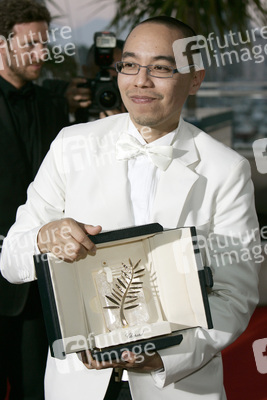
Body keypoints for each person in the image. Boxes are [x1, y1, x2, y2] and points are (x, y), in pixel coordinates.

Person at [0, 15, 260, 400]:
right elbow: (10, 258)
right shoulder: (71, 145)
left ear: (195, 79)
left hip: (175, 385)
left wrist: (162, 358)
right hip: (76, 384)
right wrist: (44, 236)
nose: (141, 80)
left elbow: (235, 295)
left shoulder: (225, 169)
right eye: (130, 64)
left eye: (161, 68)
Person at [0, 0, 69, 399]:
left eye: (44, 43)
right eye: (30, 45)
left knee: (35, 391)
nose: (42, 53)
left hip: (37, 280)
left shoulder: (53, 105)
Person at [43, 39, 125, 121]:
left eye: (114, 81)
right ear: (85, 72)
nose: (106, 91)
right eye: (99, 80)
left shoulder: (133, 105)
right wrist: (66, 108)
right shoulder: (66, 97)